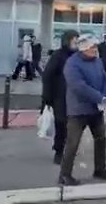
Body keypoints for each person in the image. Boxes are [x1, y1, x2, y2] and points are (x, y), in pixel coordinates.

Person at [59, 34, 106, 186]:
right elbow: (78, 86)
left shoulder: (97, 61)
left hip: (96, 109)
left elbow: (105, 79)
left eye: (96, 47)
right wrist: (99, 97)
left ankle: (100, 169)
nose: (95, 50)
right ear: (84, 49)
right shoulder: (72, 64)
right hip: (78, 110)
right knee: (73, 142)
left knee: (101, 139)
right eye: (92, 47)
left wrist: (105, 96)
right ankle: (64, 174)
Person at [42, 30, 79, 165]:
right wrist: (47, 97)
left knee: (73, 126)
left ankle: (68, 151)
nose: (76, 44)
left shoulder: (77, 56)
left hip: (74, 98)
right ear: (67, 41)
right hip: (60, 97)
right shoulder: (58, 56)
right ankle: (59, 151)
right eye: (74, 41)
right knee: (61, 125)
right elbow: (48, 76)